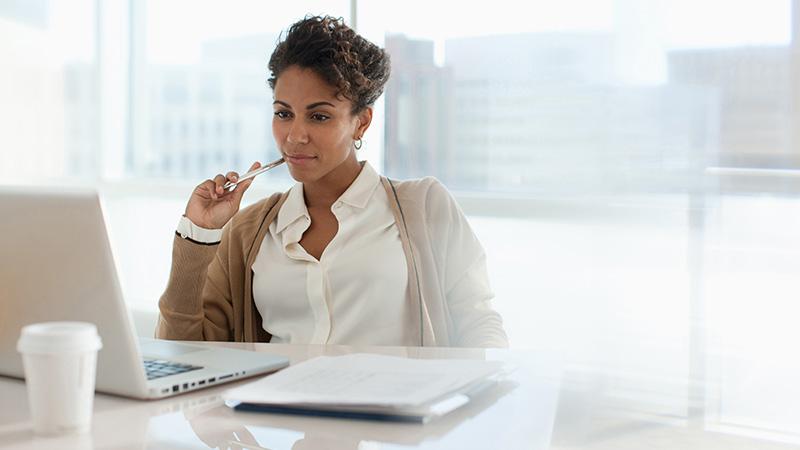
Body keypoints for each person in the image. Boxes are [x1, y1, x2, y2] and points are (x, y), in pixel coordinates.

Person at [156, 15, 508, 348]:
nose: (294, 136)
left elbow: (479, 324)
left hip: (391, 409)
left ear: (361, 122)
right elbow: (184, 354)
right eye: (283, 114)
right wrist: (199, 233)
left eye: (319, 116)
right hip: (275, 411)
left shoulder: (425, 206)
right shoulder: (249, 231)